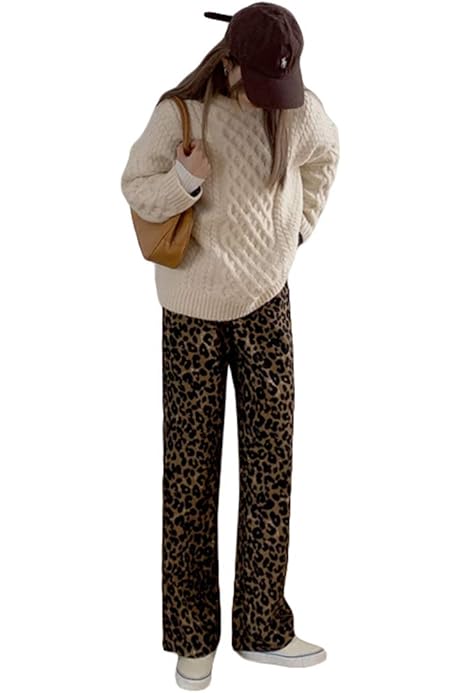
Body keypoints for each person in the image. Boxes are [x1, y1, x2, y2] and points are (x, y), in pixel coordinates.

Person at [120, 2, 340, 689]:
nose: (271, 98)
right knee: (190, 476)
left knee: (271, 468)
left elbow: (328, 154)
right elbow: (135, 189)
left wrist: (298, 230)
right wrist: (186, 179)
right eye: (260, 82)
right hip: (191, 310)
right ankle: (193, 637)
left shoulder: (297, 112)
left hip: (267, 303)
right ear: (231, 60)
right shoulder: (180, 114)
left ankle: (261, 625)